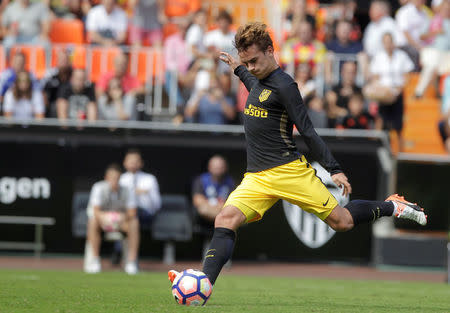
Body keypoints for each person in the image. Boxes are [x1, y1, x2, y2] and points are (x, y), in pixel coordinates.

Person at [168, 22, 427, 296]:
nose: (252, 67)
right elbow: (254, 82)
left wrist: (334, 168)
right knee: (225, 219)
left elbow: (308, 130)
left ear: (270, 50)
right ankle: (204, 285)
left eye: (254, 60)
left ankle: (392, 206)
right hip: (257, 177)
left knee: (342, 222)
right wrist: (238, 68)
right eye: (247, 62)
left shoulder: (285, 85)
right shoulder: (258, 78)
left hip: (289, 172)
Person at [85, 163, 140, 275]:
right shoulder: (98, 187)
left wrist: (121, 217)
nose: (114, 180)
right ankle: (95, 261)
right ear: (106, 178)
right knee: (92, 221)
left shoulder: (127, 190)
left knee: (134, 222)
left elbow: (132, 212)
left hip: (121, 223)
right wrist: (105, 217)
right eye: (111, 178)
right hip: (102, 222)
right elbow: (95, 210)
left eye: (117, 178)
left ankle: (131, 262)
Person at [363, 33, 414, 151]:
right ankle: (377, 149)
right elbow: (375, 76)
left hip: (397, 94)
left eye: (389, 42)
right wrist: (382, 90)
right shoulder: (379, 57)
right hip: (383, 94)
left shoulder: (401, 56)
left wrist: (398, 90)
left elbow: (407, 76)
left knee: (398, 126)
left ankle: (401, 153)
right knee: (380, 120)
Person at [113, 149, 161, 264]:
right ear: (125, 163)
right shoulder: (120, 179)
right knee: (130, 218)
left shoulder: (150, 179)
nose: (133, 164)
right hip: (124, 214)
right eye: (130, 161)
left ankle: (119, 251)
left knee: (133, 216)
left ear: (141, 163)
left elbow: (157, 204)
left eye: (136, 161)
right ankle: (127, 257)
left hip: (145, 214)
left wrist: (146, 194)